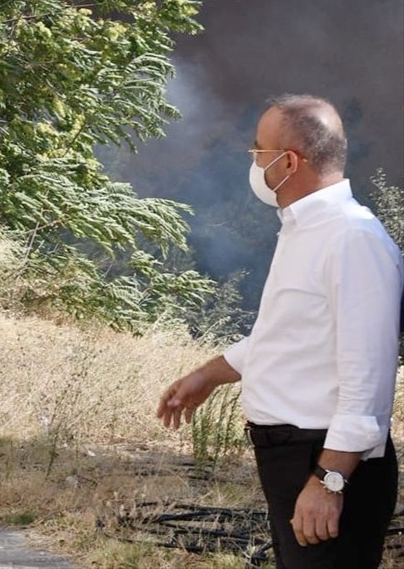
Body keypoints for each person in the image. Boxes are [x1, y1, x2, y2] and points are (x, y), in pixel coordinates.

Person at [157, 94, 402, 569]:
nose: (252, 163)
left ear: (289, 162)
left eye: (257, 152)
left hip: (326, 463)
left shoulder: (352, 239)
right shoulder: (303, 229)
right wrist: (209, 375)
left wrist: (329, 482)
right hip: (293, 460)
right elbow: (286, 334)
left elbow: (368, 380)